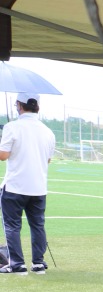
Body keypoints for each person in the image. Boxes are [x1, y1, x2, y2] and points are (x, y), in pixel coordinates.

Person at [0, 93, 56, 275]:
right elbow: (48, 160)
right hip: (38, 188)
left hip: (15, 186)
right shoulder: (48, 131)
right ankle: (38, 263)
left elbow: (3, 155)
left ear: (19, 105)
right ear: (37, 107)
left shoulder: (12, 127)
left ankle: (17, 264)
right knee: (37, 225)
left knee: (12, 226)